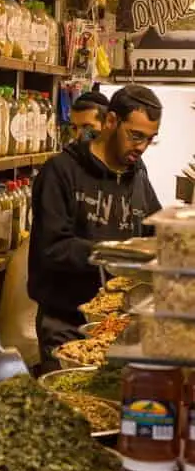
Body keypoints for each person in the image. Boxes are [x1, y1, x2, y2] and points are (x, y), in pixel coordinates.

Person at [28, 84, 162, 369]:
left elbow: (153, 227)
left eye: (150, 140)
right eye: (135, 136)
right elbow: (52, 248)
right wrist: (114, 256)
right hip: (65, 323)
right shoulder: (60, 171)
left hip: (117, 324)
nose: (141, 147)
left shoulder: (137, 173)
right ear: (111, 121)